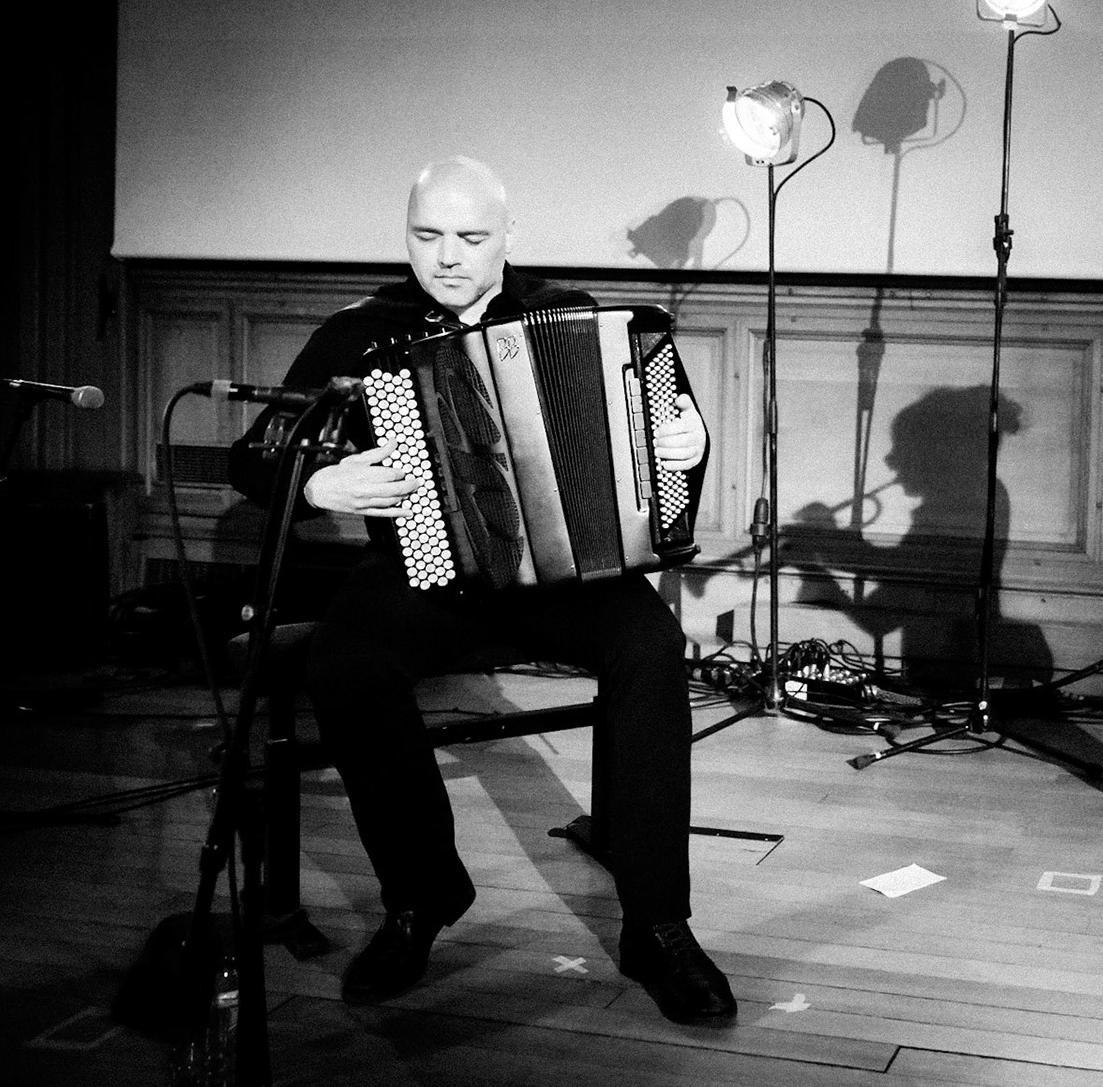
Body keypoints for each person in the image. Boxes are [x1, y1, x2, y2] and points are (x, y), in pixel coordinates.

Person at [227, 156, 735, 1023]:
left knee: (651, 646)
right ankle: (422, 894)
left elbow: (665, 440)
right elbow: (253, 456)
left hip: (565, 576)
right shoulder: (360, 332)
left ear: (509, 235)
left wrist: (684, 446)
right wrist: (319, 486)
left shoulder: (571, 317)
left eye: (472, 236)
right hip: (423, 569)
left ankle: (658, 923)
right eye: (429, 237)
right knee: (345, 662)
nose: (450, 256)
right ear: (407, 235)